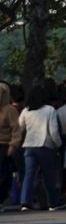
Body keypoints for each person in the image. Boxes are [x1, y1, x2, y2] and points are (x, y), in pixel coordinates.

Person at [16, 83, 66, 211]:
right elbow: (54, 131)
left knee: (29, 175)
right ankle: (53, 203)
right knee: (48, 176)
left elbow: (19, 128)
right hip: (46, 146)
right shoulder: (49, 110)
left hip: (29, 146)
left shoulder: (26, 111)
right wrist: (58, 144)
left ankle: (25, 202)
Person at [0, 81, 19, 209]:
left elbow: (16, 129)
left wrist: (13, 145)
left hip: (4, 146)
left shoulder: (10, 110)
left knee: (3, 174)